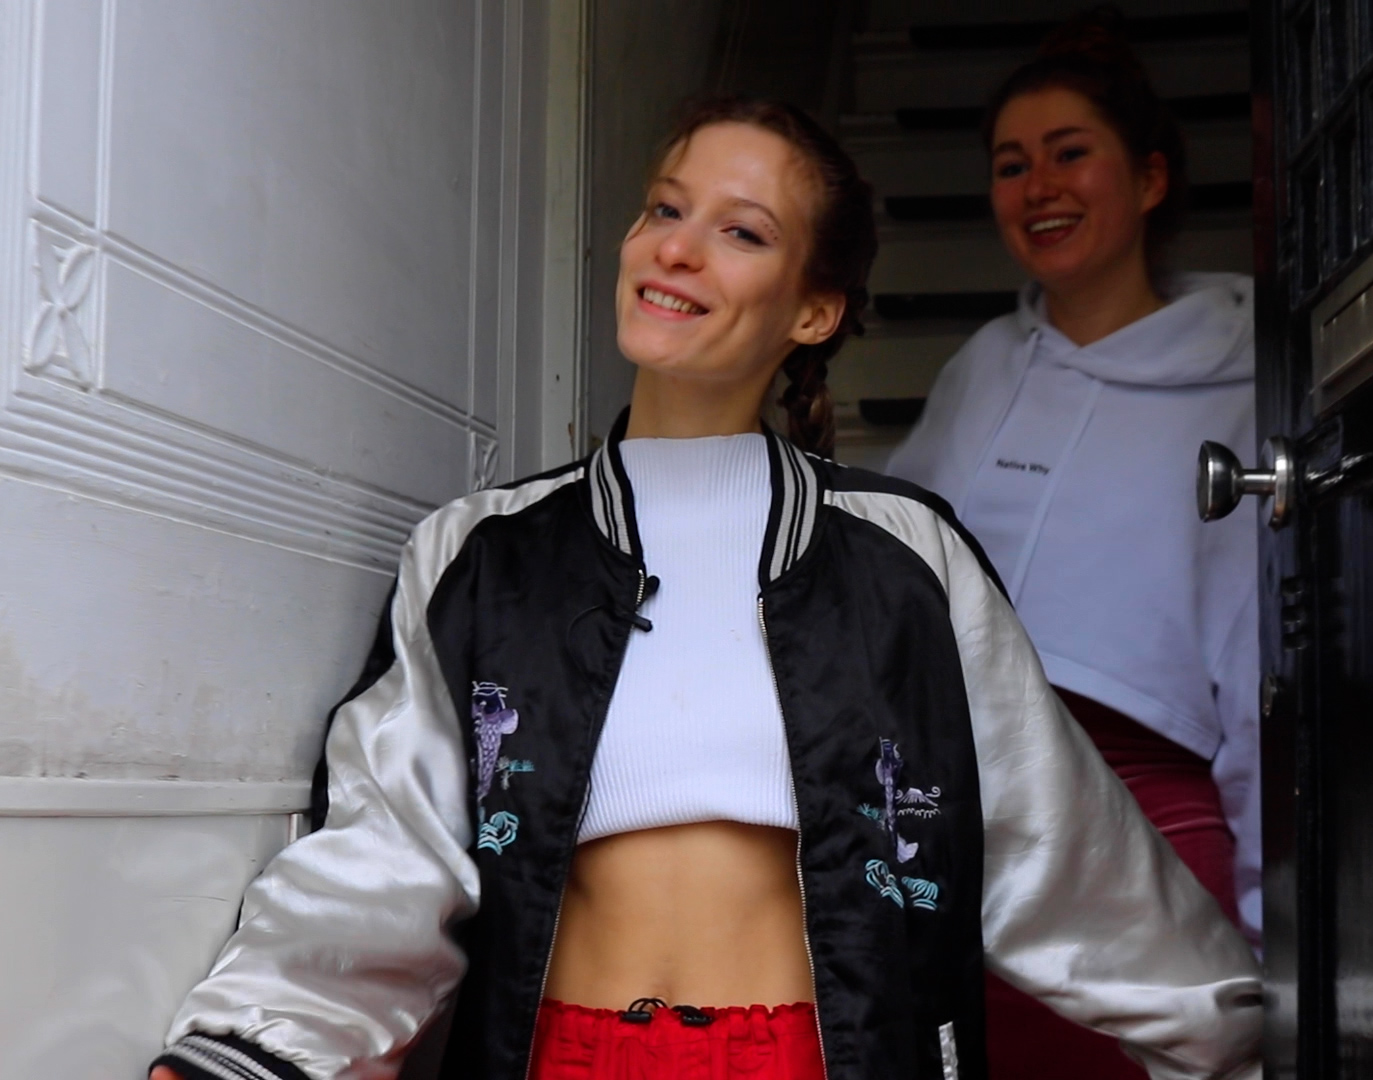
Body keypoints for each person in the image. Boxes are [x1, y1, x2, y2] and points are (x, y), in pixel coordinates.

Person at [146, 98, 1258, 1080]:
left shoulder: (903, 558)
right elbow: (386, 852)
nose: (676, 250)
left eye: (742, 232)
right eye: (665, 210)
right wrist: (257, 1047)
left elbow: (1062, 853)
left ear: (814, 310)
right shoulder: (480, 552)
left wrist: (1238, 1045)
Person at [885, 14, 1261, 1080]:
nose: (1038, 186)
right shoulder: (979, 369)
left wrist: (1269, 924)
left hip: (1145, 837)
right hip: (968, 828)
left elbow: (1253, 659)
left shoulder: (1244, 379)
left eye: (1069, 153)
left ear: (1150, 178)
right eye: (1012, 165)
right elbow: (891, 573)